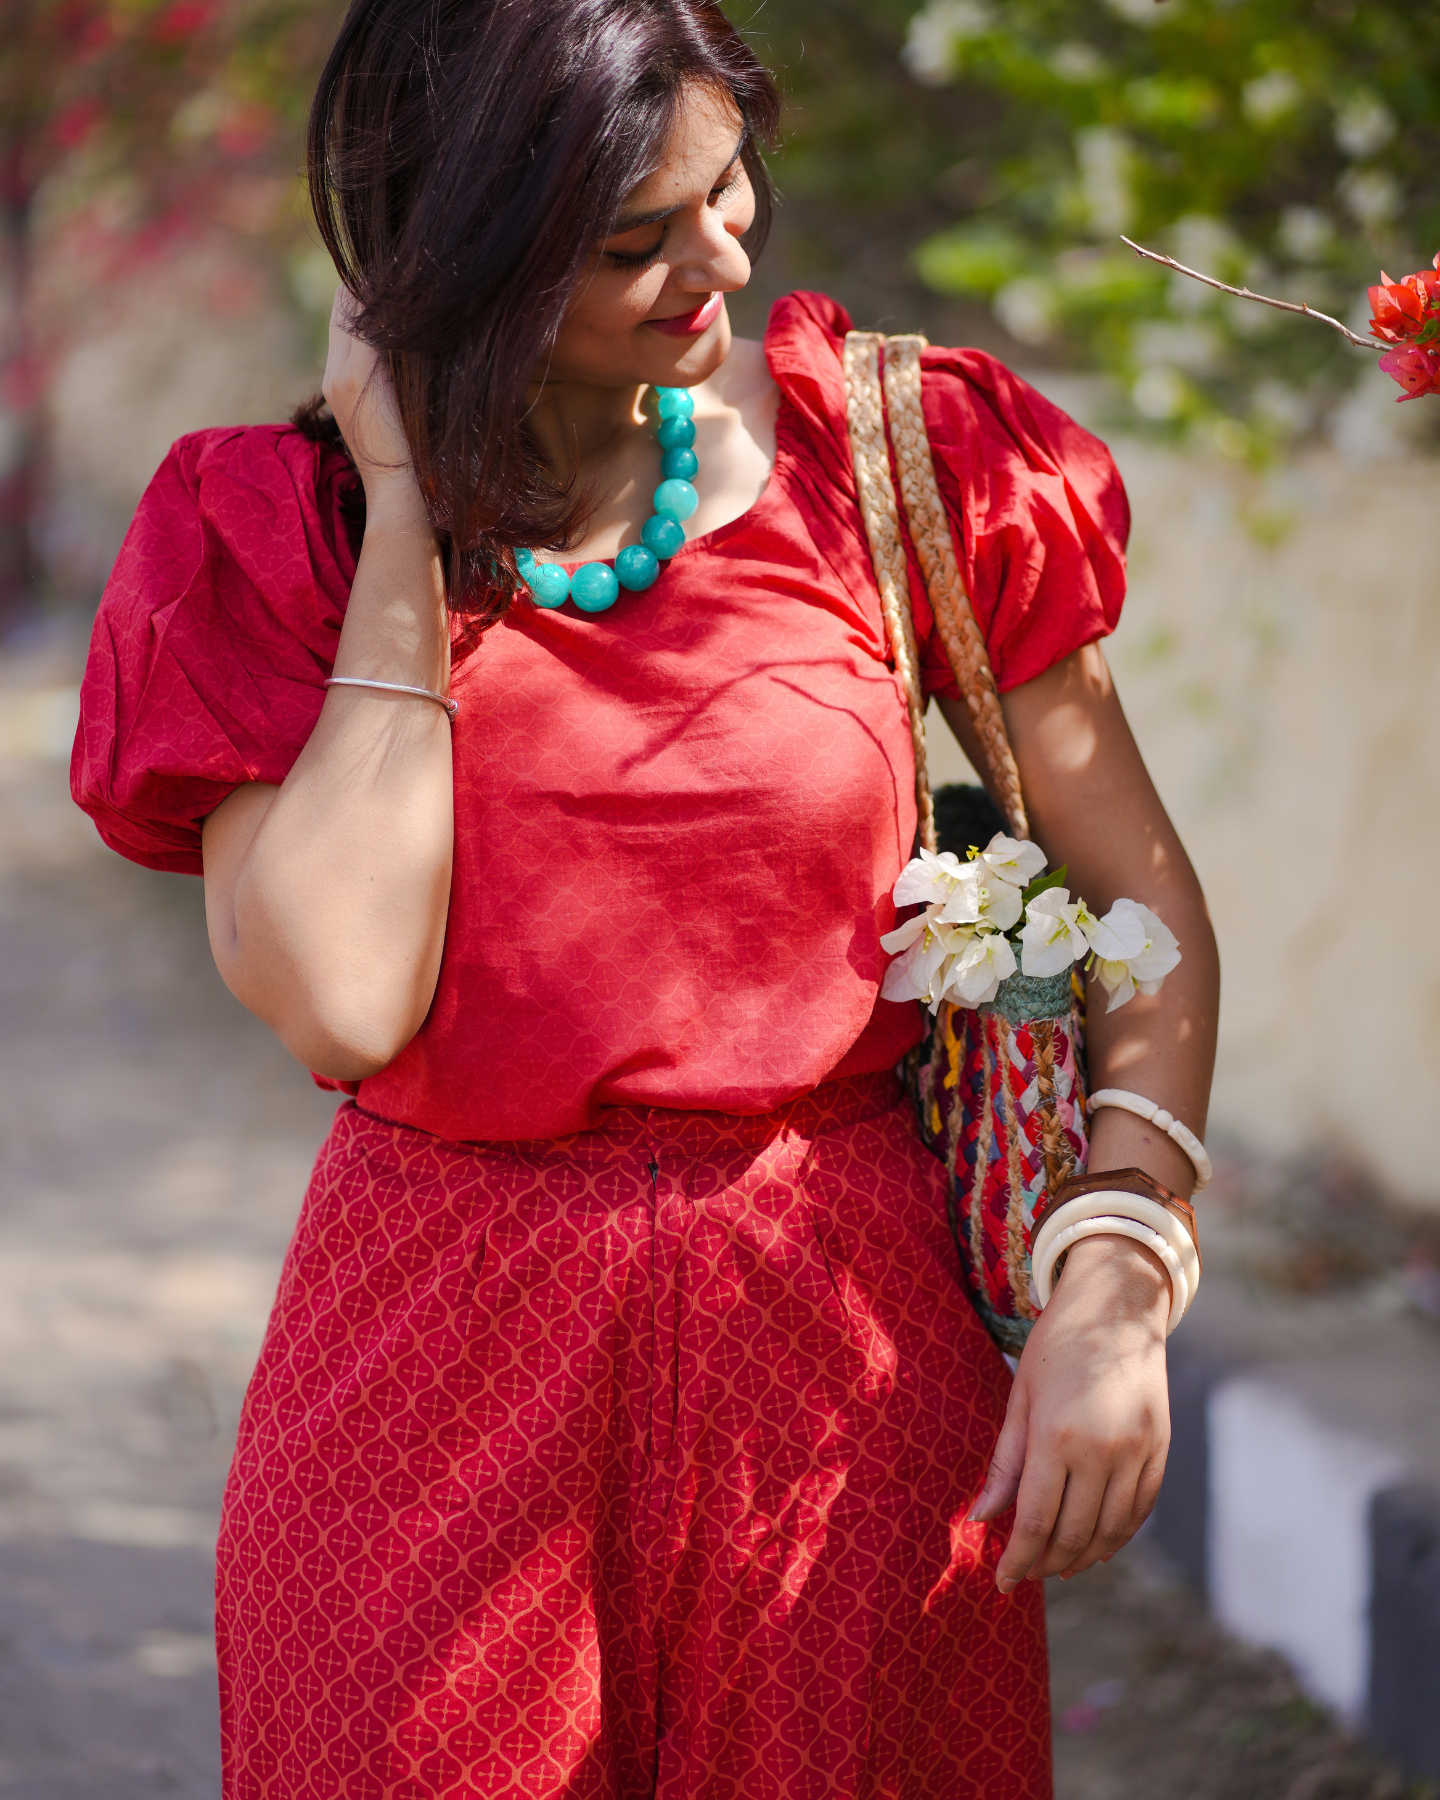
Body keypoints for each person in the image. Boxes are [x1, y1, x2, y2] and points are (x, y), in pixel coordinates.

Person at [72, 0, 1219, 1793]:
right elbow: (345, 1001)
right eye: (634, 239)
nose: (722, 254)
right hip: (435, 1374)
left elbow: (1142, 897)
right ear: (450, 255)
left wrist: (1116, 1281)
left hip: (846, 1361)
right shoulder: (271, 530)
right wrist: (394, 506)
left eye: (729, 182)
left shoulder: (907, 456)